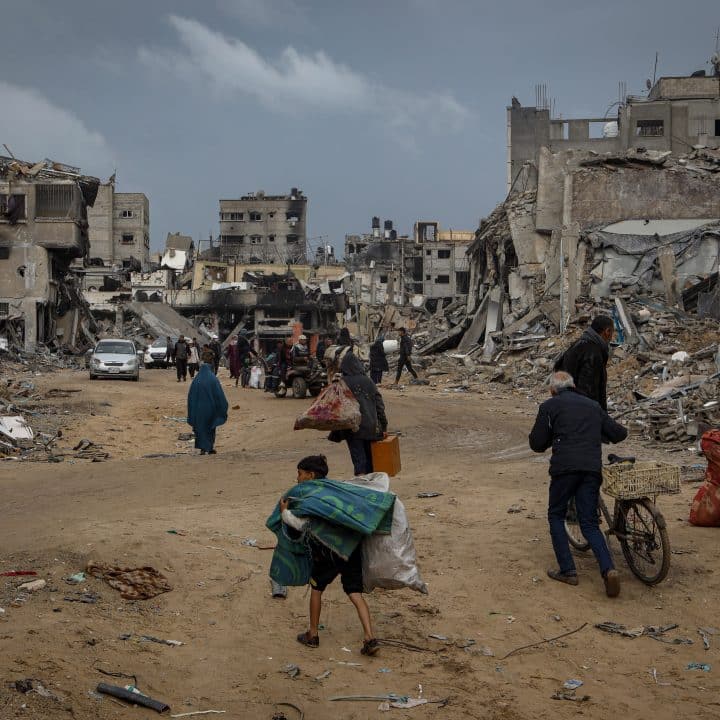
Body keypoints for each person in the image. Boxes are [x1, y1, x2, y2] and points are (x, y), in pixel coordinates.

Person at [529, 371, 628, 597]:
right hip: (591, 469)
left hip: (565, 470)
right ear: (573, 386)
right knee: (590, 523)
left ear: (553, 390)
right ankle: (609, 569)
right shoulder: (592, 406)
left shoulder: (549, 407)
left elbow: (536, 443)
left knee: (556, 514)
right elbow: (618, 433)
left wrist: (553, 435)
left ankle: (568, 571)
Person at [278, 454, 380, 656]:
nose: (297, 479)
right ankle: (370, 637)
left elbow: (306, 526)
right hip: (350, 548)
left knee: (317, 589)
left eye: (300, 474)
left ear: (310, 474)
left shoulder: (313, 496)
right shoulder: (337, 490)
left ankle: (313, 634)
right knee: (354, 593)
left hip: (327, 552)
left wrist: (284, 513)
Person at [327, 348, 388, 475]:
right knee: (371, 460)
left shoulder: (342, 383)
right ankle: (372, 486)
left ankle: (362, 485)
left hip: (352, 428)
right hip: (371, 427)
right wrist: (384, 424)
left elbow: (334, 406)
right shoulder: (369, 381)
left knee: (359, 460)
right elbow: (379, 405)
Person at [555, 314, 614, 411]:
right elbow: (589, 389)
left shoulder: (580, 345)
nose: (612, 337)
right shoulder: (592, 352)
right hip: (580, 410)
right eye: (612, 332)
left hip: (567, 404)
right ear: (607, 331)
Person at [187, 355, 229, 455]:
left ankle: (202, 448)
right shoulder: (213, 379)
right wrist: (222, 406)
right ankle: (209, 447)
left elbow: (190, 397)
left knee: (200, 429)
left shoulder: (196, 381)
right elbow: (219, 395)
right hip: (210, 409)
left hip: (198, 410)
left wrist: (191, 410)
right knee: (210, 428)